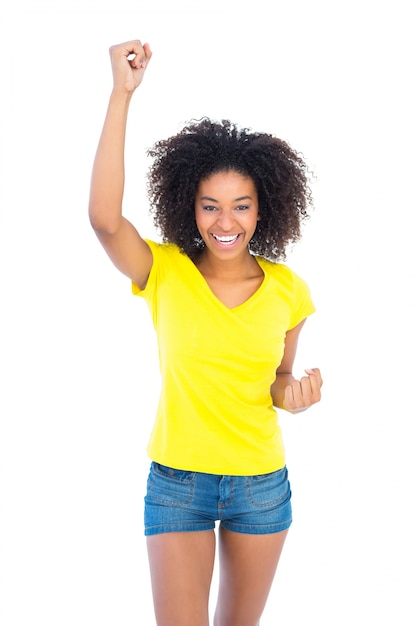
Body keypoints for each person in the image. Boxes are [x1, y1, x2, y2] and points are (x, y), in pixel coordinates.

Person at [89, 39, 323, 626]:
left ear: (263, 209)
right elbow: (103, 219)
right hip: (177, 482)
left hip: (260, 487)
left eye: (241, 206)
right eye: (210, 206)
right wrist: (121, 94)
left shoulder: (289, 289)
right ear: (188, 207)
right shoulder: (163, 270)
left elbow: (277, 378)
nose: (225, 222)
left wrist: (292, 395)